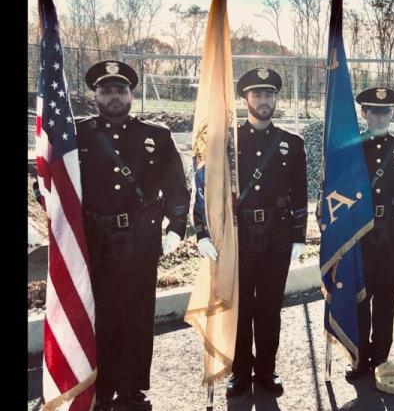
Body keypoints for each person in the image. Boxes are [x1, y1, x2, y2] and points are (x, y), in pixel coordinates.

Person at [51, 60, 190, 409]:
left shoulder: (156, 135)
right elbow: (53, 178)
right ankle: (103, 384)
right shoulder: (75, 134)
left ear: (132, 94)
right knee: (99, 314)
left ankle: (132, 386)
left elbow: (176, 185)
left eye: (121, 90)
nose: (114, 96)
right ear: (94, 95)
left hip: (140, 240)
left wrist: (176, 227)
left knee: (137, 314)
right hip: (92, 239)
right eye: (106, 90)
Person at [195, 67, 308, 397]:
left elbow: (300, 192)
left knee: (270, 308)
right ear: (245, 99)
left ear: (276, 99)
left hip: (277, 236)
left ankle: (267, 371)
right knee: (240, 307)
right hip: (238, 236)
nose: (264, 100)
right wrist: (202, 231)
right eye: (257, 94)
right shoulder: (226, 142)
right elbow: (205, 188)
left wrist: (299, 236)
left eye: (269, 94)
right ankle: (240, 371)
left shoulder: (292, 143)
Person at [343, 87, 394, 379]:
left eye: (385, 111)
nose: (379, 117)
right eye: (373, 111)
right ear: (364, 113)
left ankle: (381, 357)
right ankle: (360, 357)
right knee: (361, 297)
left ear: (392, 113)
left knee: (387, 299)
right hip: (360, 234)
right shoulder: (350, 150)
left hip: (393, 233)